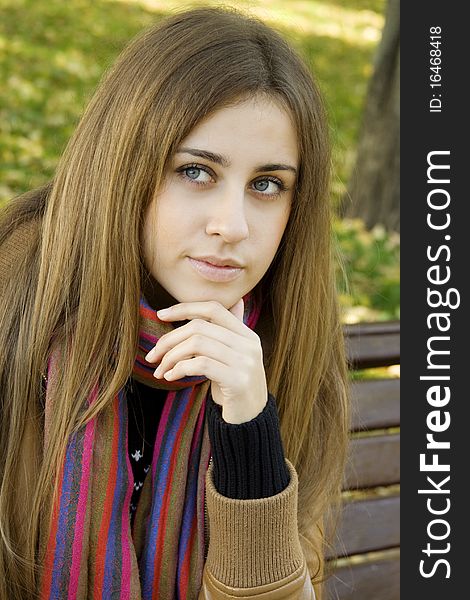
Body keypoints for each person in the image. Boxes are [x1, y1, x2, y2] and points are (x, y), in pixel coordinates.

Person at [0, 6, 350, 599]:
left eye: (267, 185)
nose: (233, 225)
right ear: (125, 166)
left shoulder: (280, 343)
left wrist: (250, 436)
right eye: (195, 171)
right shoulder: (19, 305)